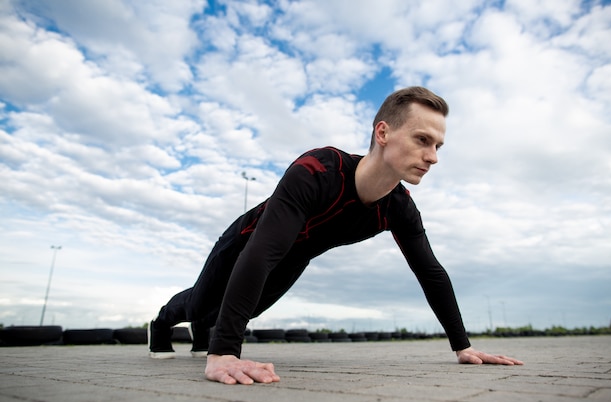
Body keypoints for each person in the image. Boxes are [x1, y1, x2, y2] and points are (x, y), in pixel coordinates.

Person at [149, 86, 523, 385]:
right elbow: (262, 252)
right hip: (247, 243)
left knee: (247, 310)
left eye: (438, 146)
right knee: (201, 305)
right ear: (383, 133)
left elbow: (431, 272)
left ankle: (205, 330)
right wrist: (224, 353)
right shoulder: (318, 169)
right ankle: (162, 324)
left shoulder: (399, 207)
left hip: (293, 259)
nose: (433, 157)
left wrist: (463, 346)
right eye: (423, 140)